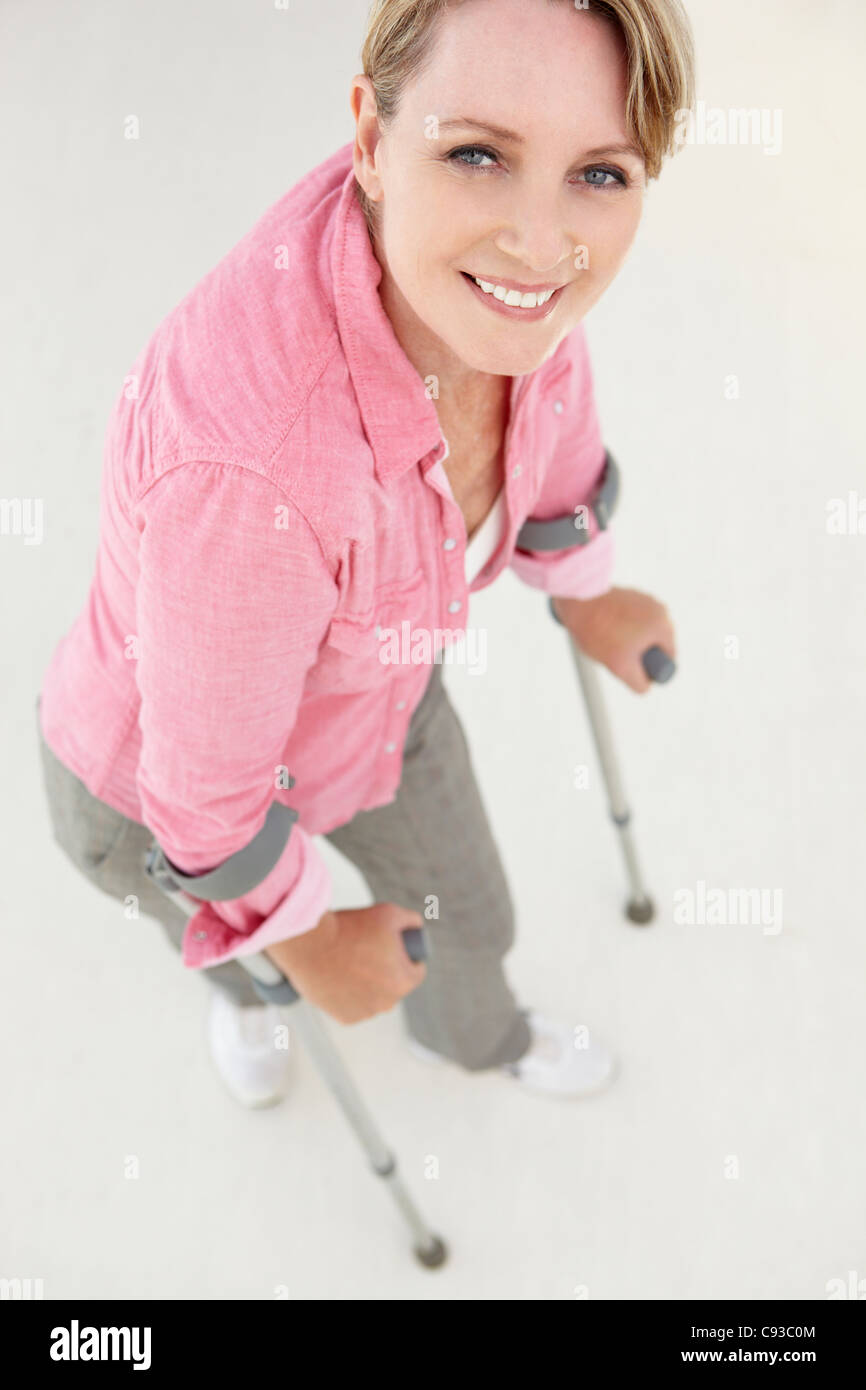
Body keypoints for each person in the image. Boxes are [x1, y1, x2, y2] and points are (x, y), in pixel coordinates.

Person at [36, 0, 690, 1108]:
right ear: (370, 140)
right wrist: (299, 939)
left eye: (599, 173)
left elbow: (554, 402)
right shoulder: (255, 473)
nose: (540, 243)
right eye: (476, 154)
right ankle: (246, 998)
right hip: (160, 793)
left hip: (370, 690)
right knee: (261, 963)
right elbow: (203, 791)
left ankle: (473, 1039)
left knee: (469, 920)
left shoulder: (501, 292)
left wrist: (585, 584)